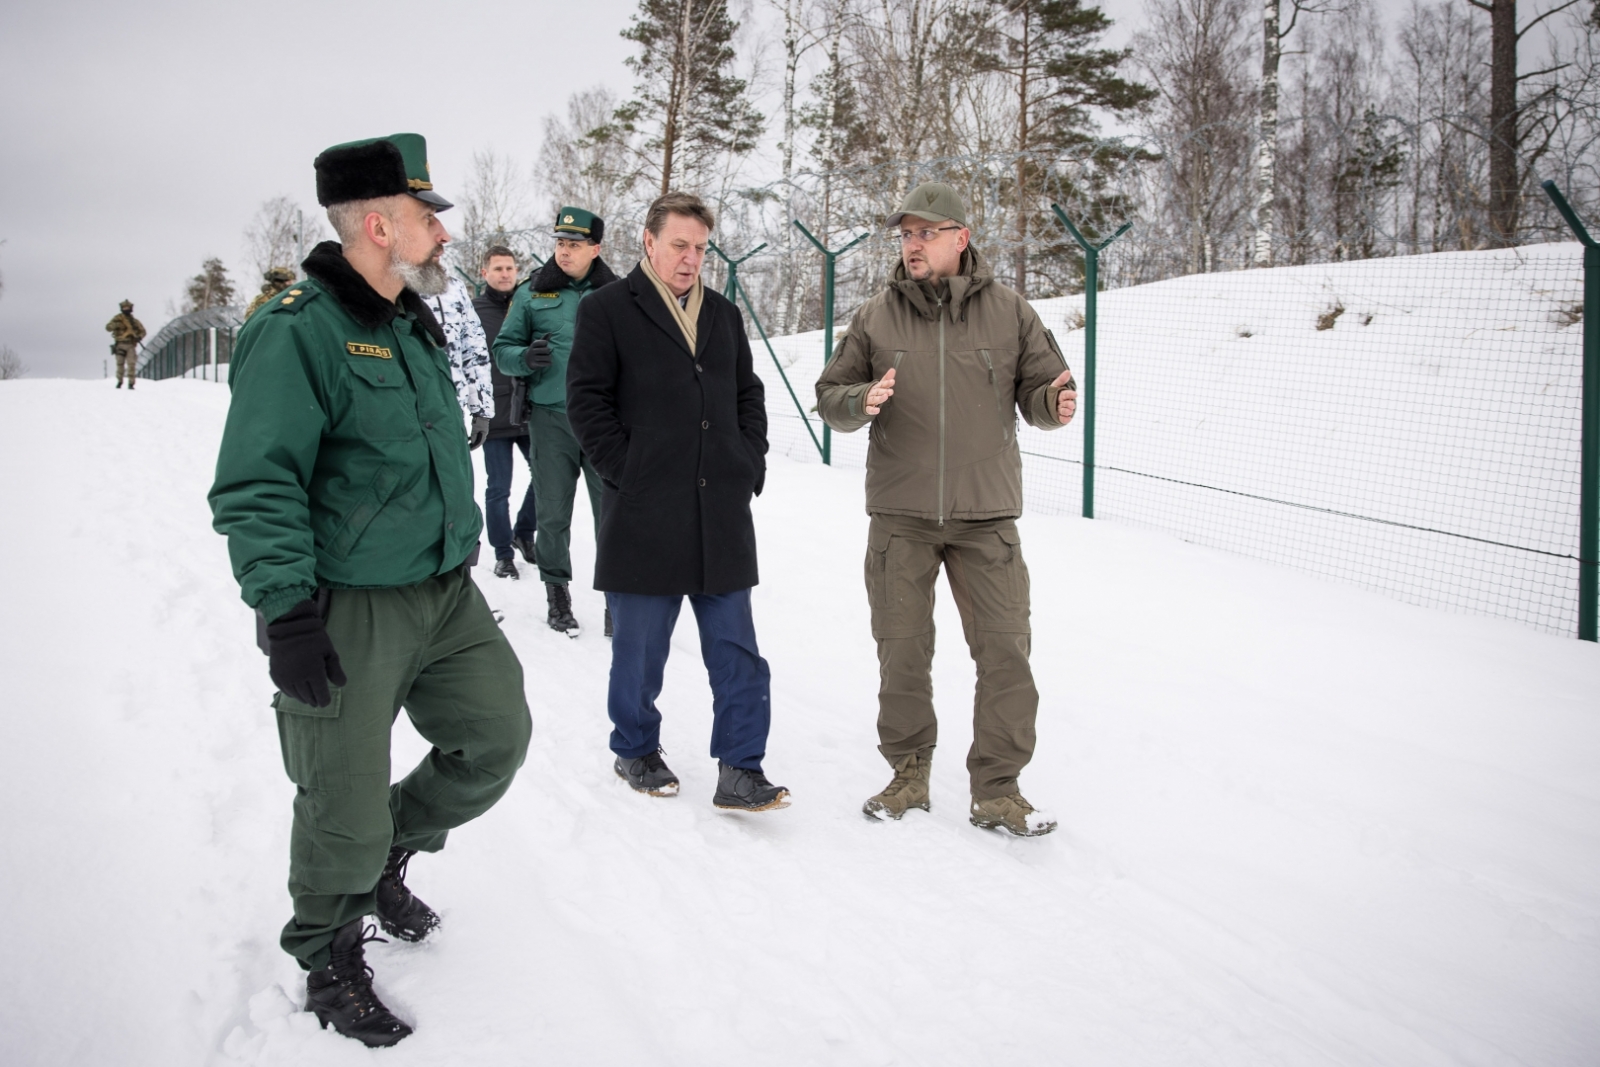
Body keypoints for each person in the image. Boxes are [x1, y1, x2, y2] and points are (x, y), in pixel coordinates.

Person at [208, 133, 532, 1047]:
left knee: (494, 737)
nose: (443, 233)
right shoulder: (297, 330)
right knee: (339, 805)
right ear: (381, 225)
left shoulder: (409, 320)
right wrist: (285, 609)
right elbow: (258, 481)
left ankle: (387, 851)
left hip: (443, 592)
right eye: (429, 217)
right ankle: (329, 951)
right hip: (350, 603)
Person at [814, 181, 1077, 838]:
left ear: (961, 237)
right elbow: (830, 395)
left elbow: (1042, 391)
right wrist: (859, 401)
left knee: (1006, 652)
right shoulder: (876, 317)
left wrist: (1053, 405)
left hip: (985, 515)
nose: (913, 244)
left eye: (926, 233)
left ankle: (998, 789)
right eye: (906, 234)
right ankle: (908, 773)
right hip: (900, 515)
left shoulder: (1010, 312)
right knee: (902, 651)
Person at [567, 192, 788, 812]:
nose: (691, 259)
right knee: (640, 650)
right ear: (649, 242)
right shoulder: (606, 310)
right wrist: (629, 472)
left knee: (737, 649)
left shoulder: (723, 314)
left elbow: (747, 394)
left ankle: (741, 768)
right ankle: (635, 748)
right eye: (679, 246)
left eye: (701, 248)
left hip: (720, 511)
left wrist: (748, 462)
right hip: (645, 511)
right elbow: (586, 402)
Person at [492, 208, 617, 635]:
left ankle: (616, 601)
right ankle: (557, 595)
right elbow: (502, 350)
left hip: (605, 424)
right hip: (550, 420)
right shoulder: (532, 293)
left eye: (575, 244)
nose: (564, 251)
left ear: (595, 249)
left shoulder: (619, 295)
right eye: (561, 243)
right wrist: (524, 358)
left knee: (612, 516)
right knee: (552, 512)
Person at [473, 245, 538, 580]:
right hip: (494, 413)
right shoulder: (474, 311)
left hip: (529, 409)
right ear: (484, 273)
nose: (505, 274)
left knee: (547, 476)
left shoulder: (529, 304)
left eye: (510, 268)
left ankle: (524, 532)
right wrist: (476, 408)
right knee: (498, 488)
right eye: (498, 268)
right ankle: (503, 553)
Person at [422, 272, 495, 448]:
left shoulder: (453, 287)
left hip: (451, 411)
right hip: (401, 413)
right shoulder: (384, 284)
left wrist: (482, 411)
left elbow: (473, 349)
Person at [105, 299, 145, 389]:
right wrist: (117, 325)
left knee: (131, 364)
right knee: (120, 364)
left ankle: (131, 383)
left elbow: (143, 331)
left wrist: (139, 337)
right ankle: (119, 381)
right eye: (124, 307)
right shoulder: (118, 319)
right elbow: (108, 327)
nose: (126, 309)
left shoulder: (135, 322)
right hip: (120, 344)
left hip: (130, 345)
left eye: (127, 307)